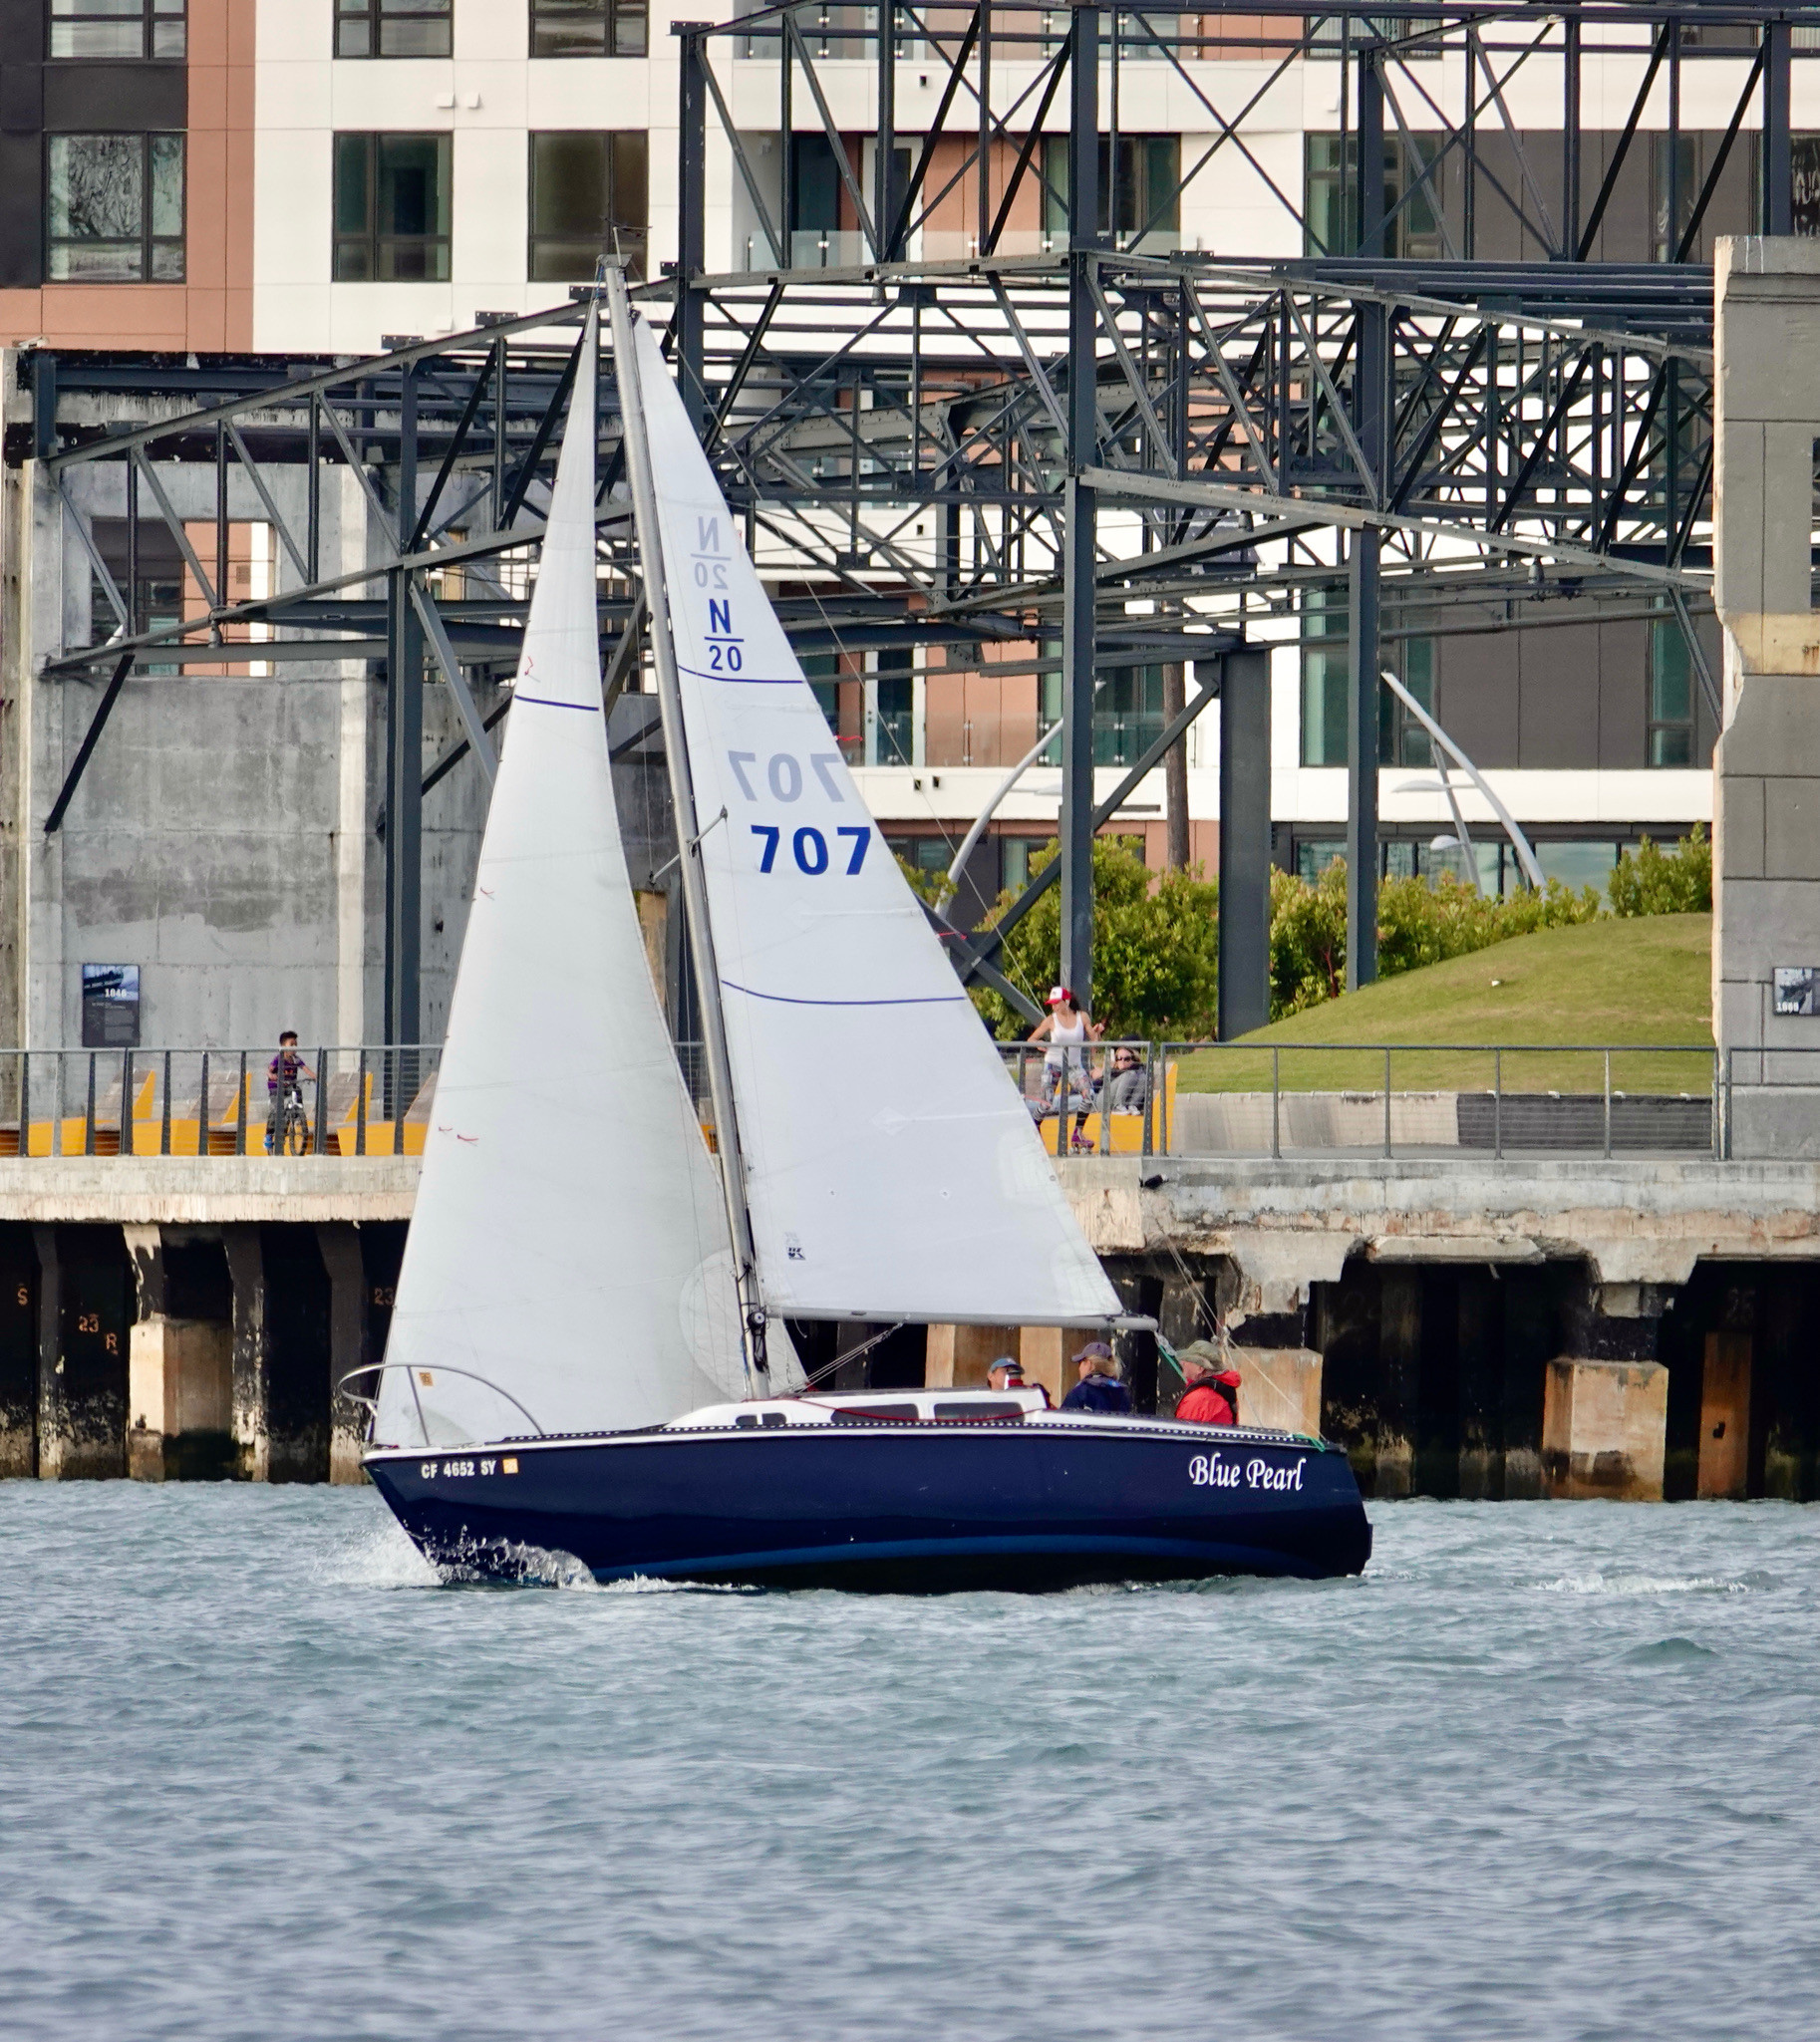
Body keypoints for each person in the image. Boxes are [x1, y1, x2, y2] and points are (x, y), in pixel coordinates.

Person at [1026, 987, 1104, 1152]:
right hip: (1053, 1063)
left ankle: (1078, 1133)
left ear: (1066, 1002)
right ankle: (1034, 1126)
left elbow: (1094, 1042)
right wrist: (1040, 1044)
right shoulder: (1051, 1020)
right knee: (1047, 1103)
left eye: (1056, 1003)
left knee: (1089, 1095)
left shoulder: (1082, 1017)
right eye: (1052, 1004)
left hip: (1073, 1065)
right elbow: (1031, 1039)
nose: (1054, 1007)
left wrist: (1097, 1033)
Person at [265, 1030, 315, 1153]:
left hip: (289, 1086)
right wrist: (271, 1076)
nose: (294, 1047)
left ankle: (297, 1115)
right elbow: (269, 1070)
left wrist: (316, 1077)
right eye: (291, 1044)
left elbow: (306, 1069)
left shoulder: (296, 1060)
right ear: (283, 1046)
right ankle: (268, 1136)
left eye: (295, 1044)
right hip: (276, 1088)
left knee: (297, 1090)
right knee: (276, 1112)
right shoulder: (279, 1059)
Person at [1172, 1339, 1242, 1425]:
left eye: (1188, 1360)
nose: (1183, 1363)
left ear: (1200, 1368)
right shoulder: (1223, 1390)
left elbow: (1184, 1430)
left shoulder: (1199, 1399)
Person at [1060, 1341, 1132, 1415]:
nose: (1079, 1368)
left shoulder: (1081, 1392)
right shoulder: (1122, 1392)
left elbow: (1063, 1419)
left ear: (1088, 1364)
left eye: (1080, 1363)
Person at [1105, 1045, 1150, 1115]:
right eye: (1119, 1058)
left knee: (1143, 1077)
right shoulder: (1113, 1072)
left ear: (1134, 1060)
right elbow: (1098, 1084)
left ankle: (1132, 1106)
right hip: (1104, 1100)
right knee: (1130, 1074)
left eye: (1127, 1059)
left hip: (1124, 1102)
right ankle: (1117, 1107)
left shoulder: (1137, 1073)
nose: (1122, 1061)